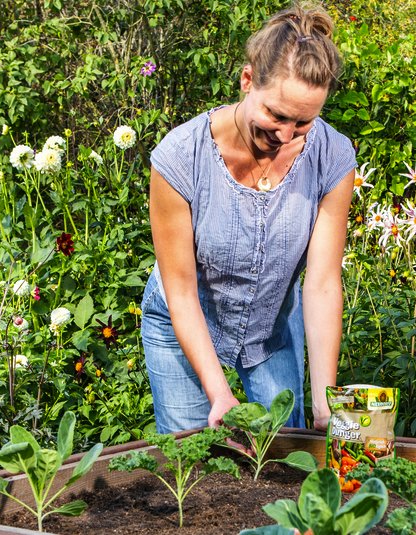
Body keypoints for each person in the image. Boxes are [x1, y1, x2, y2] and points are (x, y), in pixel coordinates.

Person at [141, 2, 356, 434]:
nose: (285, 135)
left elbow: (322, 283)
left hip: (271, 328)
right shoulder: (180, 158)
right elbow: (181, 290)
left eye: (303, 122)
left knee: (283, 464)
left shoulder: (332, 157)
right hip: (185, 325)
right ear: (246, 80)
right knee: (198, 468)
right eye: (276, 115)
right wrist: (220, 394)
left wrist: (325, 401)